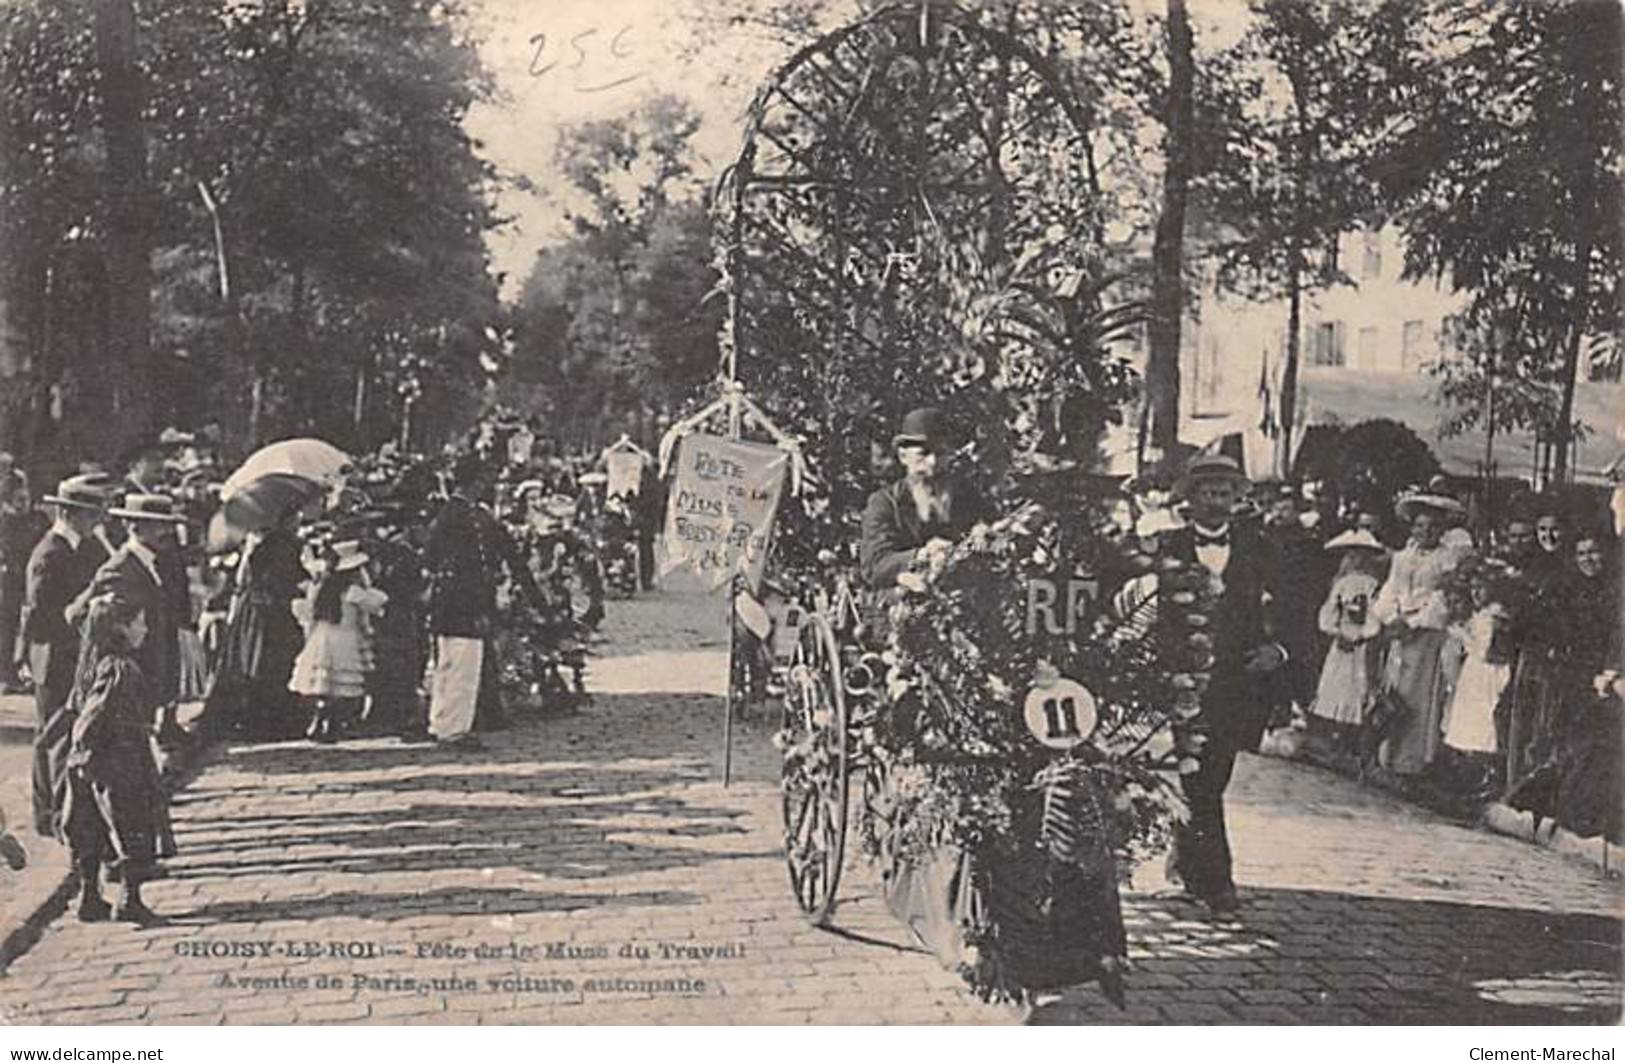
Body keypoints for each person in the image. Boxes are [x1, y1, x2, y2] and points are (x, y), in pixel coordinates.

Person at [1158, 453, 1288, 918]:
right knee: (1201, 781)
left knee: (1211, 777)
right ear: (1190, 499)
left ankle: (1191, 867)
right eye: (1206, 492)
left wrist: (1279, 652)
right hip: (1184, 684)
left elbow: (1290, 608)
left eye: (1224, 492)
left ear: (1236, 499)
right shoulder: (1167, 547)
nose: (1216, 501)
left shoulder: (1259, 548)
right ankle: (1218, 883)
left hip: (1238, 683)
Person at [58, 594, 174, 925]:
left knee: (89, 827)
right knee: (131, 825)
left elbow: (76, 708)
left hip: (88, 762)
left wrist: (80, 755)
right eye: (139, 622)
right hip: (118, 760)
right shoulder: (121, 668)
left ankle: (90, 898)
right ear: (120, 629)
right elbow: (93, 717)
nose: (146, 629)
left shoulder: (90, 663)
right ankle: (129, 900)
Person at [18, 475, 113, 836]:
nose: (96, 522)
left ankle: (52, 815)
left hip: (74, 656)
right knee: (57, 738)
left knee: (57, 736)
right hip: (55, 657)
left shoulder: (86, 547)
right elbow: (41, 619)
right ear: (69, 513)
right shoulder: (49, 554)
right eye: (91, 515)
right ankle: (58, 817)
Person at [425, 454, 534, 748]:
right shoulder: (466, 518)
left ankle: (441, 722)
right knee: (462, 668)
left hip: (447, 603)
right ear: (475, 482)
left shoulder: (451, 514)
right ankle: (454, 730)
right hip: (464, 602)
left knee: (447, 666)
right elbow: (468, 566)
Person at [73, 495, 187, 745]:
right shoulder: (120, 567)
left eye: (168, 524)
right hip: (127, 678)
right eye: (159, 525)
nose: (167, 532)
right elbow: (84, 616)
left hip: (148, 674)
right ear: (134, 527)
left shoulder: (151, 564)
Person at [1372, 489, 1467, 778]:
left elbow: (1444, 597)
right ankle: (1385, 753)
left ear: (1442, 530)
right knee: (1394, 689)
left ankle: (1413, 760)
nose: (1426, 531)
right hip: (1400, 630)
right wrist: (1391, 617)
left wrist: (1414, 623)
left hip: (1427, 633)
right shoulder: (1402, 556)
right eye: (1420, 526)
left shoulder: (1447, 560)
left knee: (1419, 693)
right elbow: (1390, 589)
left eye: (1433, 526)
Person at [200, 512, 307, 740]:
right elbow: (282, 578)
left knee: (255, 660)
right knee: (269, 660)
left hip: (255, 608)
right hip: (270, 610)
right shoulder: (284, 544)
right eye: (294, 517)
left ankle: (260, 717)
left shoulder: (262, 544)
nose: (297, 521)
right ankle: (270, 720)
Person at [860, 407, 990, 591]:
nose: (933, 463)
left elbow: (988, 520)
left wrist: (983, 529)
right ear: (903, 456)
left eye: (941, 453)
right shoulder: (885, 503)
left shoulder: (965, 494)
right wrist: (921, 555)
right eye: (923, 453)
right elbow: (874, 565)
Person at [290, 541, 388, 743]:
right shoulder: (354, 591)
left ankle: (319, 721)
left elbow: (308, 613)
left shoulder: (321, 589)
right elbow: (376, 606)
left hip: (323, 636)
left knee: (325, 684)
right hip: (345, 638)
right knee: (340, 684)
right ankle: (332, 723)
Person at [1307, 529, 1387, 758]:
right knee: (1337, 685)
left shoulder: (1373, 585)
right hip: (1341, 640)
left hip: (1362, 645)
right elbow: (1329, 611)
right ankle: (1335, 735)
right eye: (1352, 555)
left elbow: (1375, 614)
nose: (1357, 560)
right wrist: (1336, 631)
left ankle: (1354, 738)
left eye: (1363, 555)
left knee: (1359, 685)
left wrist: (1362, 635)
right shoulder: (1341, 583)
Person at [1439, 560, 1515, 798]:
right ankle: (1471, 777)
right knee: (1470, 721)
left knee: (1484, 723)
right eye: (1473, 588)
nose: (1475, 593)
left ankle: (1487, 776)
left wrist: (1461, 634)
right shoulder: (1481, 614)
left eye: (1481, 588)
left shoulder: (1494, 616)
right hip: (1475, 672)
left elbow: (1486, 651)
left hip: (1487, 674)